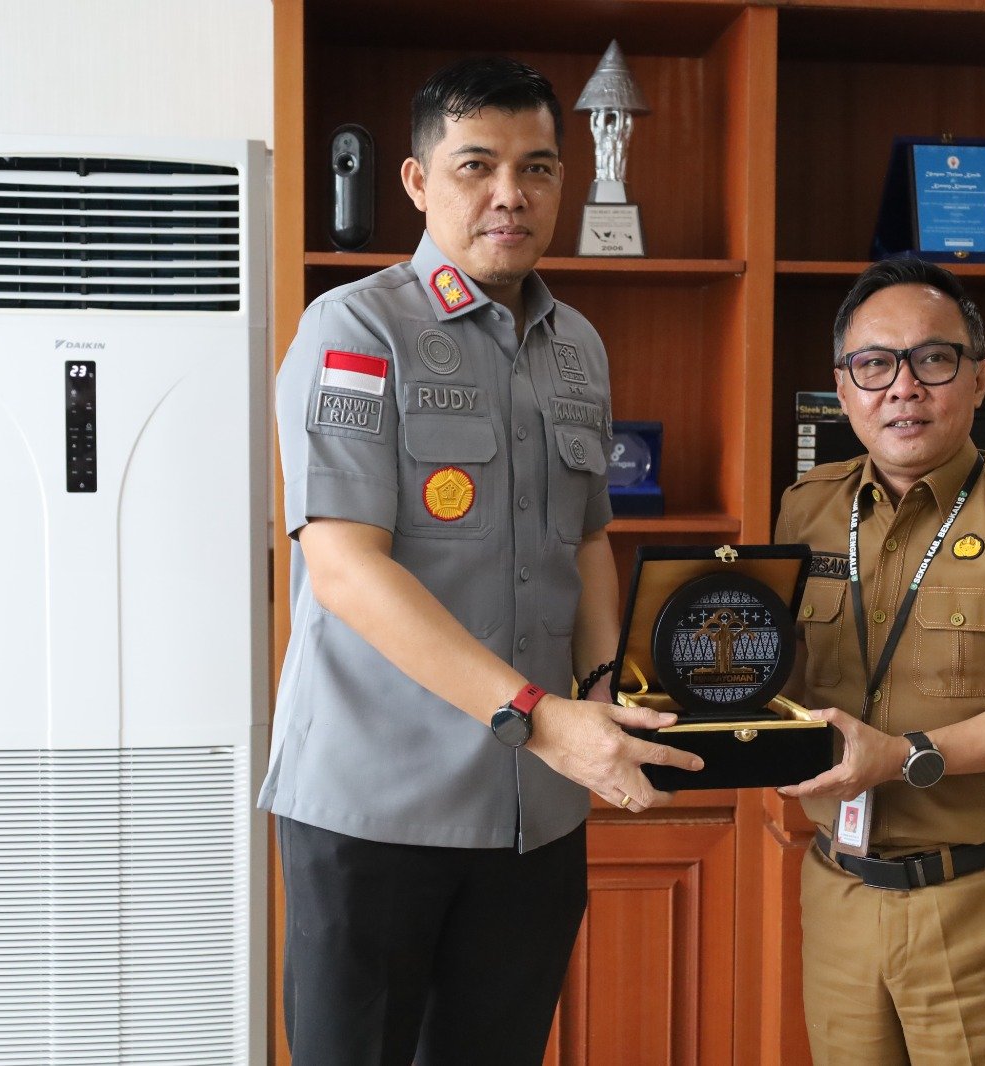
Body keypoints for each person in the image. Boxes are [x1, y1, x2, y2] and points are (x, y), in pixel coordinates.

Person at [257, 56, 702, 1066]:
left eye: (537, 167)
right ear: (419, 182)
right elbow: (345, 567)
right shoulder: (356, 328)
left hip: (533, 815)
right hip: (379, 808)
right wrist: (542, 717)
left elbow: (587, 538)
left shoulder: (578, 346)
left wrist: (600, 695)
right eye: (477, 165)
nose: (512, 193)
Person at [774, 258, 985, 1065]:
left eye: (933, 359)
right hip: (838, 891)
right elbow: (780, 677)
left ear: (979, 378)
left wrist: (903, 756)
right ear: (843, 387)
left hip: (975, 901)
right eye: (874, 364)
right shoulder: (806, 508)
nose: (903, 388)